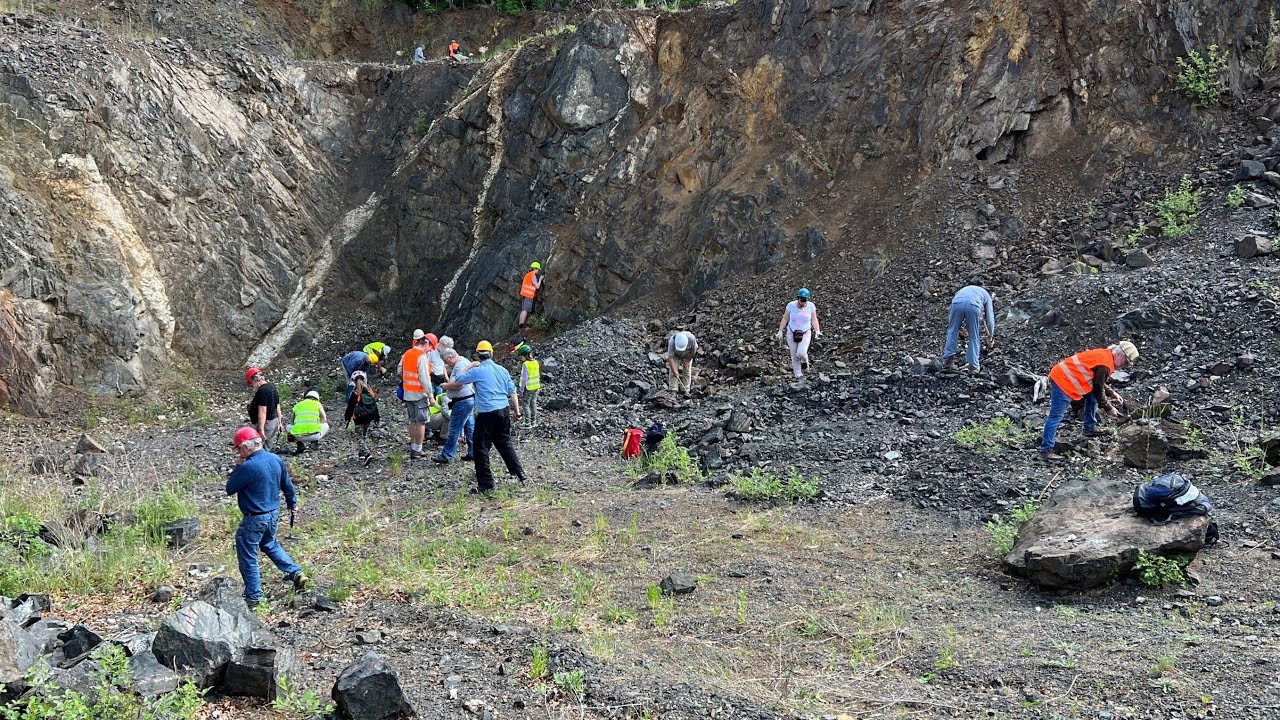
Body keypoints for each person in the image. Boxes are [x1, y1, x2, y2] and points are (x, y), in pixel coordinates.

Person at [225, 427, 308, 608]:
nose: (238, 453)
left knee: (248, 556)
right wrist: (292, 505)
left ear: (247, 447)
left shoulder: (248, 466)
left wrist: (238, 466)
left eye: (239, 449)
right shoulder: (275, 459)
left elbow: (229, 488)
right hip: (272, 515)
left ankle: (254, 597)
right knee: (270, 544)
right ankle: (295, 572)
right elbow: (288, 486)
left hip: (254, 518)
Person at [442, 341, 526, 491]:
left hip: (487, 412)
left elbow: (457, 381)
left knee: (480, 447)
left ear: (478, 356)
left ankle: (486, 484)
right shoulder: (502, 370)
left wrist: (469, 366)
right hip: (504, 411)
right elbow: (512, 392)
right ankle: (519, 473)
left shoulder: (477, 370)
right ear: (491, 354)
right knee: (504, 443)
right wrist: (517, 411)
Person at [1039, 341, 1140, 462]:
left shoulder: (1105, 355)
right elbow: (1098, 388)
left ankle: (1089, 428)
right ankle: (1046, 450)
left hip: (1065, 376)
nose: (1125, 366)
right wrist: (1109, 408)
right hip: (1063, 380)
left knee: (1091, 397)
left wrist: (1112, 393)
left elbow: (1097, 381)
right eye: (1126, 361)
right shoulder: (1105, 364)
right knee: (1056, 416)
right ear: (1119, 354)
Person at [398, 329, 437, 459]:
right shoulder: (421, 357)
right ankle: (417, 450)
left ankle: (413, 447)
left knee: (412, 421)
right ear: (428, 344)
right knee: (421, 422)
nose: (430, 351)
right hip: (420, 394)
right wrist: (431, 396)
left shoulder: (407, 353)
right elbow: (424, 378)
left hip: (408, 393)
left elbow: (400, 370)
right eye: (431, 348)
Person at [433, 347, 475, 464]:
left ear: (451, 357)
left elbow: (459, 383)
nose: (448, 365)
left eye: (447, 362)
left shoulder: (460, 365)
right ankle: (473, 452)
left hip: (462, 401)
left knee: (454, 429)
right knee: (469, 428)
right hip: (468, 399)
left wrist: (446, 386)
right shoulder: (464, 362)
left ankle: (447, 455)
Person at [943, 285, 996, 372]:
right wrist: (990, 336)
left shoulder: (963, 290)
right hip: (974, 305)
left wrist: (956, 326)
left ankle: (949, 361)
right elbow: (990, 319)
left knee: (952, 331)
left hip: (956, 303)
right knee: (974, 335)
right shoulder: (986, 296)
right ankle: (974, 365)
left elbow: (952, 322)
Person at [775, 288, 822, 379]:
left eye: (805, 300)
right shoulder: (791, 305)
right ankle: (798, 374)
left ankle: (805, 361)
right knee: (794, 355)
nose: (803, 302)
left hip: (805, 332)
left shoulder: (811, 306)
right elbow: (785, 318)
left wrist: (817, 331)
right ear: (798, 298)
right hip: (791, 332)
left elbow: (814, 319)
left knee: (801, 352)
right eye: (801, 300)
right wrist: (780, 330)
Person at [343, 371, 379, 463]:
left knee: (359, 437)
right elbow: (374, 405)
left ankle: (367, 454)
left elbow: (350, 408)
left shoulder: (355, 394)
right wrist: (376, 418)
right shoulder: (370, 392)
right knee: (363, 435)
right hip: (369, 417)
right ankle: (361, 454)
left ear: (354, 381)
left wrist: (347, 419)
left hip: (358, 419)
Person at [245, 368, 283, 451]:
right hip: (274, 421)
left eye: (251, 383)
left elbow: (262, 411)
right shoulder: (272, 387)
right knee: (267, 446)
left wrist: (260, 429)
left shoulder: (262, 391)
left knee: (258, 448)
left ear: (253, 379)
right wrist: (279, 422)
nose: (252, 386)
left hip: (267, 424)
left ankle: (258, 462)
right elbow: (277, 406)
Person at [285, 390, 330, 456]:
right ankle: (315, 442)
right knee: (326, 425)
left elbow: (291, 422)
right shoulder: (317, 404)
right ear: (317, 398)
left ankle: (299, 444)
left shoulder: (298, 405)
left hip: (297, 436)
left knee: (288, 427)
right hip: (314, 436)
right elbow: (324, 419)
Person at [665, 331, 698, 395]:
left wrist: (688, 360)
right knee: (673, 370)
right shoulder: (672, 341)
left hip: (687, 353)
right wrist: (674, 371)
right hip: (675, 354)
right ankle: (673, 389)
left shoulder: (691, 339)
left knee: (687, 369)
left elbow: (694, 350)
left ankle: (686, 389)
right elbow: (670, 358)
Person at [517, 344, 541, 429]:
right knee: (533, 403)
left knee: (525, 404)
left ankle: (527, 423)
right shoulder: (536, 362)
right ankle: (533, 421)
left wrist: (521, 390)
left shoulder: (526, 364)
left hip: (528, 387)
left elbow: (524, 379)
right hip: (536, 386)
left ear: (524, 355)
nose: (520, 359)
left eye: (521, 357)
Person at [517, 262, 543, 330]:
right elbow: (537, 286)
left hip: (524, 294)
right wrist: (540, 279)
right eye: (538, 270)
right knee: (525, 310)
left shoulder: (528, 274)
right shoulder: (532, 275)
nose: (538, 271)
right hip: (528, 295)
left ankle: (521, 325)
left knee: (523, 310)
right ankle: (522, 326)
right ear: (536, 269)